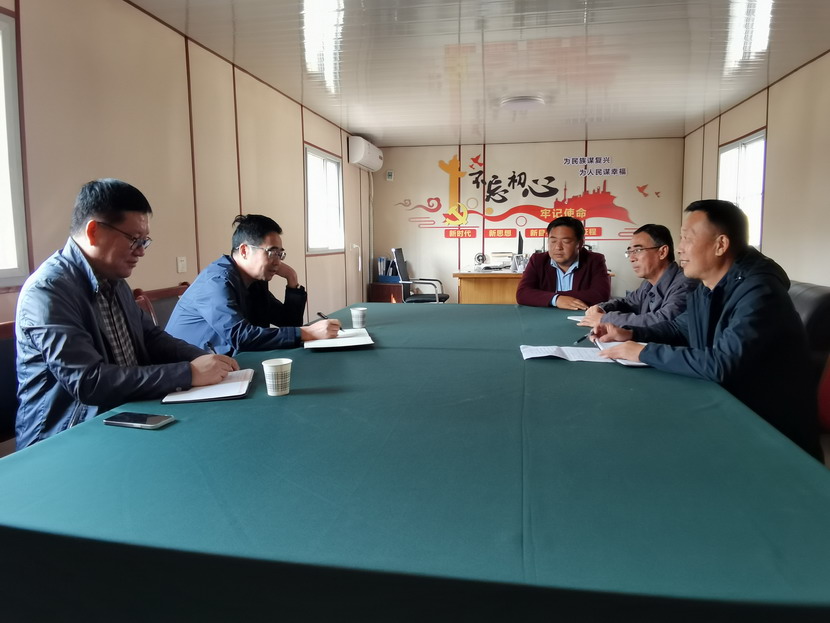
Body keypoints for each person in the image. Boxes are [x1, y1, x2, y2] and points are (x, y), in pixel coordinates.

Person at [15, 179, 238, 449]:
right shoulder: (48, 290)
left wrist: (202, 358)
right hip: (65, 439)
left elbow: (151, 337)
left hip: (125, 416)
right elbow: (89, 382)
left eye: (144, 241)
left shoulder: (115, 280)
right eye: (134, 240)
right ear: (94, 231)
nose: (141, 251)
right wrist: (187, 373)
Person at [594, 200, 821, 459]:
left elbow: (721, 364)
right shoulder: (708, 286)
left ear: (720, 245)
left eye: (687, 238)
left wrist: (642, 352)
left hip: (769, 435)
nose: (680, 248)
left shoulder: (760, 292)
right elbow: (680, 328)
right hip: (726, 408)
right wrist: (632, 334)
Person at [165, 214, 340, 355]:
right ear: (244, 250)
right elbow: (240, 337)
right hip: (189, 368)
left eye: (280, 254)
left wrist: (292, 279)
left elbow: (288, 323)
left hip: (226, 362)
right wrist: (307, 332)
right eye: (272, 252)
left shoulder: (255, 282)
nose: (277, 261)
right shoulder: (216, 282)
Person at [578, 224, 695, 329]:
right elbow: (627, 302)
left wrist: (605, 319)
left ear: (662, 252)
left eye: (638, 250)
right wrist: (602, 308)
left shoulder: (685, 284)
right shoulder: (648, 283)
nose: (631, 258)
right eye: (630, 252)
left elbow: (663, 321)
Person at [516, 216, 611, 310]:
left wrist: (551, 296)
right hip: (544, 316)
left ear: (580, 244)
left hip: (580, 316)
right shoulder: (538, 260)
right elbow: (523, 293)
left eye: (566, 241)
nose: (558, 247)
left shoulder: (594, 260)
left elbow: (601, 295)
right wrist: (556, 299)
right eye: (553, 241)